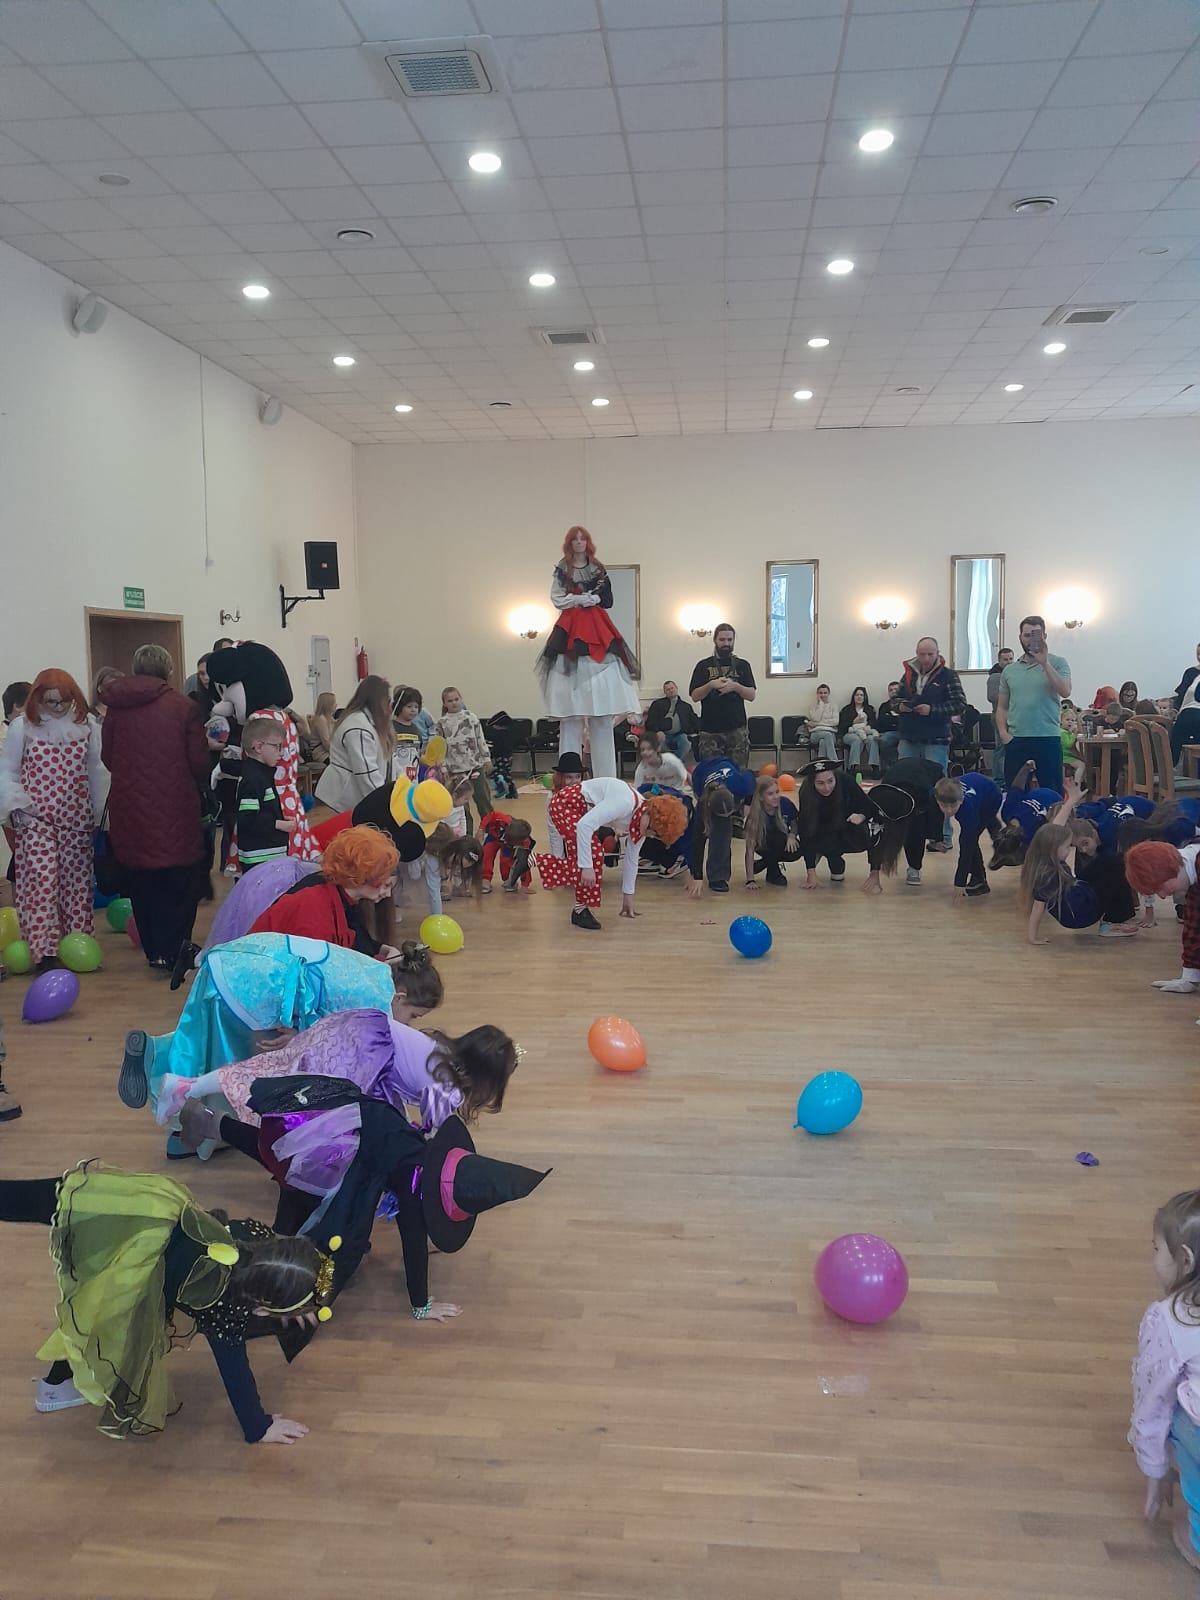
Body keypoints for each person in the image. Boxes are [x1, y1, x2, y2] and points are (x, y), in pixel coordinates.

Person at [0, 1159, 329, 1441]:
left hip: (144, 1212)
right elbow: (235, 1370)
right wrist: (259, 1427)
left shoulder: (256, 1236)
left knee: (35, 1201)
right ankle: (55, 1387)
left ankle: (56, 1383)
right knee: (99, 1327)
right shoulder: (222, 1305)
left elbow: (272, 1281)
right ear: (263, 1307)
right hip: (138, 1264)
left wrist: (287, 1304)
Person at [180, 1095, 545, 1328]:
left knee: (279, 1156)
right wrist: (420, 1305)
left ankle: (212, 1122)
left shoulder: (422, 1156)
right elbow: (413, 1245)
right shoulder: (415, 1188)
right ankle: (276, 1258)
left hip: (350, 1121)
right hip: (336, 1151)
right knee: (297, 1184)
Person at [116, 932, 401, 1158]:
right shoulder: (378, 1004)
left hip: (241, 963)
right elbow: (335, 1035)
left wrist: (300, 1032)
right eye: (414, 1014)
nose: (409, 1023)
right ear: (402, 997)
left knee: (204, 1040)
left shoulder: (374, 973)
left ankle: (157, 1056)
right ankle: (193, 1128)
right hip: (257, 980)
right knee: (231, 1060)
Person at [99, 646, 211, 976]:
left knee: (141, 879)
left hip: (129, 807)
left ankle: (154, 952)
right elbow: (199, 761)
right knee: (178, 880)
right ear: (168, 670)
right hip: (176, 805)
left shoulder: (116, 707)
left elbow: (108, 756)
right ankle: (175, 949)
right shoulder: (183, 707)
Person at [0, 670, 102, 970]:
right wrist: (16, 805)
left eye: (63, 701)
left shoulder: (87, 727)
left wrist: (100, 814)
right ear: (38, 700)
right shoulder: (23, 727)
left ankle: (77, 943)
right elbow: (8, 771)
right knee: (40, 883)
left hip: (77, 820)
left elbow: (97, 773)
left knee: (77, 885)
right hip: (35, 819)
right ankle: (43, 952)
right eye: (51, 702)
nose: (58, 707)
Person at [535, 753, 687, 930]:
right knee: (593, 854)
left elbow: (631, 860)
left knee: (583, 861)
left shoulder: (641, 820)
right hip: (564, 804)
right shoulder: (625, 802)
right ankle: (580, 911)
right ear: (651, 814)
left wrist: (628, 898)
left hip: (579, 809)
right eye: (652, 830)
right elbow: (584, 826)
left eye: (655, 836)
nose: (650, 835)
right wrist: (587, 866)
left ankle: (532, 861)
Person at [1130, 1190, 1200, 1573]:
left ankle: (1197, 1542)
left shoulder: (1170, 1320)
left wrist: (1154, 1470)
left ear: (1185, 1260)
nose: (1153, 1257)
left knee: (1176, 1414)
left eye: (1157, 1248)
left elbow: (1152, 1400)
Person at [538, 526, 641, 779]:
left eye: (583, 539)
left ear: (588, 543)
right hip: (570, 627)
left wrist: (593, 599)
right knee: (570, 718)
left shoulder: (598, 568)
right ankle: (568, 779)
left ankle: (607, 780)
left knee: (602, 720)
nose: (579, 543)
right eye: (575, 539)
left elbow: (608, 599)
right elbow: (556, 598)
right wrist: (576, 600)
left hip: (597, 626)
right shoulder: (563, 568)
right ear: (569, 543)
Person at [209, 643, 319, 866]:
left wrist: (223, 767)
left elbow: (254, 764)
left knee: (266, 869)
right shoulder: (282, 717)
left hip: (267, 804)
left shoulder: (259, 720)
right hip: (287, 800)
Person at [250, 827, 400, 955]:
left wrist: (383, 950)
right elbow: (316, 965)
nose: (387, 894)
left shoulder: (341, 894)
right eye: (386, 885)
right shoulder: (314, 906)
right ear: (365, 876)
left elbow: (355, 938)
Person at [1019, 782, 1138, 943]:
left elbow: (1056, 829)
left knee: (1108, 861)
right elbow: (1037, 908)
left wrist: (1071, 800)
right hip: (1082, 913)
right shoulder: (1047, 876)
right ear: (1054, 848)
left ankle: (1118, 914)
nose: (1070, 851)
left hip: (1079, 895)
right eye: (1067, 847)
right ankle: (1112, 922)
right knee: (1115, 864)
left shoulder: (1046, 855)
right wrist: (1033, 938)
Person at [994, 616, 1071, 789]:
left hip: (1048, 738)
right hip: (1017, 740)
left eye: (1036, 635)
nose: (1031, 640)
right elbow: (1002, 707)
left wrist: (1045, 664)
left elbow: (1065, 691)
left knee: (1051, 793)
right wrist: (1004, 734)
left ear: (1044, 636)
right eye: (1027, 635)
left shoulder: (1058, 663)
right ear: (1020, 637)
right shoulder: (1010, 671)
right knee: (1016, 793)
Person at [1125, 841, 1200, 999]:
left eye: (1161, 887)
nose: (1163, 896)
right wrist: (1190, 977)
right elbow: (1193, 927)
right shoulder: (1191, 875)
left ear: (1172, 869)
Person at [684, 735, 755, 896]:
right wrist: (697, 876)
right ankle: (716, 876)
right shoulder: (702, 805)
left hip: (728, 764)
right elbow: (697, 844)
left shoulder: (740, 784)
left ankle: (719, 876)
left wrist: (747, 804)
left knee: (723, 832)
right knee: (711, 830)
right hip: (700, 773)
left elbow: (750, 774)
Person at [315, 674, 395, 813]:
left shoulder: (373, 723)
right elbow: (366, 774)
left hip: (353, 800)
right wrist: (384, 803)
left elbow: (390, 761)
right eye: (387, 700)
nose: (390, 706)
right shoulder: (358, 726)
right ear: (377, 701)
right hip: (336, 803)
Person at [896, 637, 966, 792]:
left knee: (937, 784)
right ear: (916, 653)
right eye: (922, 654)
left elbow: (960, 704)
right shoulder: (908, 675)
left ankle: (938, 808)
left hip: (936, 739)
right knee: (905, 780)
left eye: (930, 654)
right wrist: (900, 706)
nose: (926, 658)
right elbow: (895, 699)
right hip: (909, 737)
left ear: (937, 653)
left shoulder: (949, 676)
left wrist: (932, 710)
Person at [688, 623, 756, 770]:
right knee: (712, 774)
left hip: (737, 730)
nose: (726, 643)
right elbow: (694, 696)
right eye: (722, 639)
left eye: (729, 640)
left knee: (738, 772)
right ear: (715, 640)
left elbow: (751, 695)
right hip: (710, 731)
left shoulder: (743, 665)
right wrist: (711, 685)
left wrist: (735, 687)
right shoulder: (703, 665)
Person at [234, 715, 296, 873]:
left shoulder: (262, 774)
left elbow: (263, 810)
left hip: (269, 854)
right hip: (260, 858)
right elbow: (247, 818)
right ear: (259, 747)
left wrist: (279, 818)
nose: (281, 753)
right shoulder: (253, 778)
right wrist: (278, 824)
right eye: (277, 746)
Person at [795, 759, 863, 888]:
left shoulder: (847, 781)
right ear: (812, 782)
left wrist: (861, 816)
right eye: (820, 783)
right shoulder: (806, 792)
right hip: (820, 831)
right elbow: (805, 830)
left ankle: (834, 856)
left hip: (844, 827)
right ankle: (824, 852)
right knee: (815, 833)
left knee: (858, 833)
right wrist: (810, 871)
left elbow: (867, 805)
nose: (827, 788)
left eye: (830, 781)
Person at [934, 773, 1001, 900]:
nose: (949, 810)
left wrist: (959, 882)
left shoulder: (967, 811)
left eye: (953, 806)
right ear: (937, 800)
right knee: (973, 830)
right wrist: (936, 839)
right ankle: (995, 827)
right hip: (979, 788)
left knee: (969, 839)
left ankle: (979, 881)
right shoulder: (936, 794)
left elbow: (967, 848)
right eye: (944, 806)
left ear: (961, 800)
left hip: (991, 797)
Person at [436, 687, 493, 832]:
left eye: (456, 699)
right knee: (461, 806)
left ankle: (492, 831)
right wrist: (443, 768)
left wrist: (486, 758)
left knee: (483, 800)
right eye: (450, 701)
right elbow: (441, 748)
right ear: (444, 703)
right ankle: (466, 836)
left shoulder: (471, 717)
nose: (454, 703)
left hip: (475, 767)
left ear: (461, 700)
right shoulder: (442, 723)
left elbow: (480, 738)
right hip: (455, 771)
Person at [744, 773, 800, 888]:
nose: (775, 797)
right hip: (763, 844)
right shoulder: (754, 816)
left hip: (781, 841)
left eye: (777, 792)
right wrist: (750, 880)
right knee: (776, 838)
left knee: (797, 850)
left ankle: (763, 863)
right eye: (770, 794)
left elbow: (794, 823)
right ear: (760, 797)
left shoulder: (785, 803)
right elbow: (749, 850)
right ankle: (774, 873)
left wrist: (792, 835)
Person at [479, 811, 535, 894]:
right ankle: (485, 879)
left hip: (508, 846)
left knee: (506, 861)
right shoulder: (502, 819)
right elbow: (491, 815)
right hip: (493, 836)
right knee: (486, 854)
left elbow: (524, 864)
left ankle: (509, 880)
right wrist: (481, 828)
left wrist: (525, 885)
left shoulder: (525, 843)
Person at [644, 680, 698, 764]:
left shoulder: (686, 706)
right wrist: (657, 731)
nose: (671, 691)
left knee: (686, 743)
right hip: (663, 735)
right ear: (665, 692)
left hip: (680, 735)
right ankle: (671, 764)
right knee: (659, 745)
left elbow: (694, 721)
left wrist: (696, 732)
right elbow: (650, 721)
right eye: (668, 689)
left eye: (672, 688)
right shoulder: (657, 704)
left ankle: (672, 763)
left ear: (676, 688)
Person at [838, 687, 880, 775]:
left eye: (861, 695)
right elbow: (842, 726)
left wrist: (869, 726)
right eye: (857, 695)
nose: (859, 697)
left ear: (865, 697)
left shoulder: (869, 709)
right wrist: (853, 721)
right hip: (850, 733)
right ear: (853, 697)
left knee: (872, 740)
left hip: (866, 732)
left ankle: (875, 767)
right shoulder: (847, 709)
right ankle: (852, 767)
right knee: (857, 740)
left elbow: (875, 723)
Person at [1172, 644, 1200, 765]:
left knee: (1176, 747)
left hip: (1187, 713)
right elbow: (1181, 696)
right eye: (1198, 654)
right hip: (1190, 713)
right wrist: (1175, 710)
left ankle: (1172, 770)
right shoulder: (1190, 672)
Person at [804, 683, 839, 762]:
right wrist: (821, 704)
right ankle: (833, 760)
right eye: (820, 693)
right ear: (817, 694)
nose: (823, 695)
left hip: (831, 734)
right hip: (815, 734)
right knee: (827, 735)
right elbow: (816, 718)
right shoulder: (812, 707)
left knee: (823, 742)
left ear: (828, 694)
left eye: (825, 693)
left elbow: (835, 722)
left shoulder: (834, 706)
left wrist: (817, 724)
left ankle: (821, 764)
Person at [876, 681, 903, 770]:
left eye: (896, 689)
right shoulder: (884, 706)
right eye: (891, 690)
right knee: (883, 740)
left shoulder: (907, 704)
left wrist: (891, 719)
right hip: (888, 733)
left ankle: (898, 767)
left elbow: (906, 721)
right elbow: (881, 723)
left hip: (904, 732)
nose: (893, 691)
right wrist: (896, 719)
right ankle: (894, 767)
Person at [308, 691, 337, 765]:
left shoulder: (329, 718)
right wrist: (339, 753)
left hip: (328, 751)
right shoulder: (321, 719)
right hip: (321, 753)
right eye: (334, 702)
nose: (336, 705)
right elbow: (326, 742)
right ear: (328, 704)